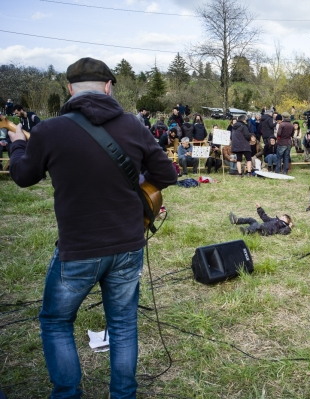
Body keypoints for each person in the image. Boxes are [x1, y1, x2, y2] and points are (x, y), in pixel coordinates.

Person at [7, 57, 177, 397]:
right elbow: (168, 175)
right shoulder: (133, 125)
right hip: (128, 246)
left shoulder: (48, 130)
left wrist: (18, 144)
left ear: (69, 89)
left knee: (56, 322)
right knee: (124, 325)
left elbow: (23, 177)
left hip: (78, 249)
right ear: (109, 87)